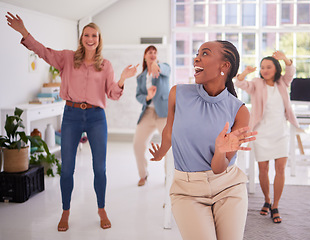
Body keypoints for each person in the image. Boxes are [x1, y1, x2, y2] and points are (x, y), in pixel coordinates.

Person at [6, 12, 138, 231]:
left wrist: (123, 78)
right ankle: (65, 211)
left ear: (99, 39)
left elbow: (113, 94)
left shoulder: (105, 66)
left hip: (97, 117)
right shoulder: (67, 58)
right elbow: (43, 52)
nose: (90, 38)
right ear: (81, 38)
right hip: (72, 115)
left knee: (100, 168)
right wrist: (23, 32)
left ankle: (101, 208)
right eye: (86, 34)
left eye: (94, 35)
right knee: (67, 169)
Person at [149, 40, 257, 240]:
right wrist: (161, 151)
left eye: (205, 53)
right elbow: (168, 131)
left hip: (228, 188)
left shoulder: (239, 110)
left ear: (224, 66)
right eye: (197, 53)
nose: (196, 58)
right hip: (187, 191)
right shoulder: (178, 93)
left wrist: (220, 150)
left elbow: (219, 168)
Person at [235, 51, 298, 223]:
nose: (264, 70)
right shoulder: (256, 83)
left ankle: (275, 205)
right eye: (262, 67)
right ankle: (267, 200)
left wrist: (285, 58)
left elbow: (291, 71)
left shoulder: (283, 82)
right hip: (261, 133)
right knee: (263, 170)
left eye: (268, 67)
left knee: (280, 169)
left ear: (276, 69)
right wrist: (246, 71)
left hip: (280, 133)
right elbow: (239, 83)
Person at [133, 45, 170, 186]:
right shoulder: (141, 77)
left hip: (164, 113)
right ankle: (143, 175)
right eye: (150, 52)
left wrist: (156, 64)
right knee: (138, 144)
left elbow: (166, 69)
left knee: (168, 145)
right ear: (145, 56)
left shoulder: (163, 68)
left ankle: (169, 176)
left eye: (155, 52)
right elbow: (138, 96)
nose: (153, 54)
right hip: (148, 112)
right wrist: (147, 97)